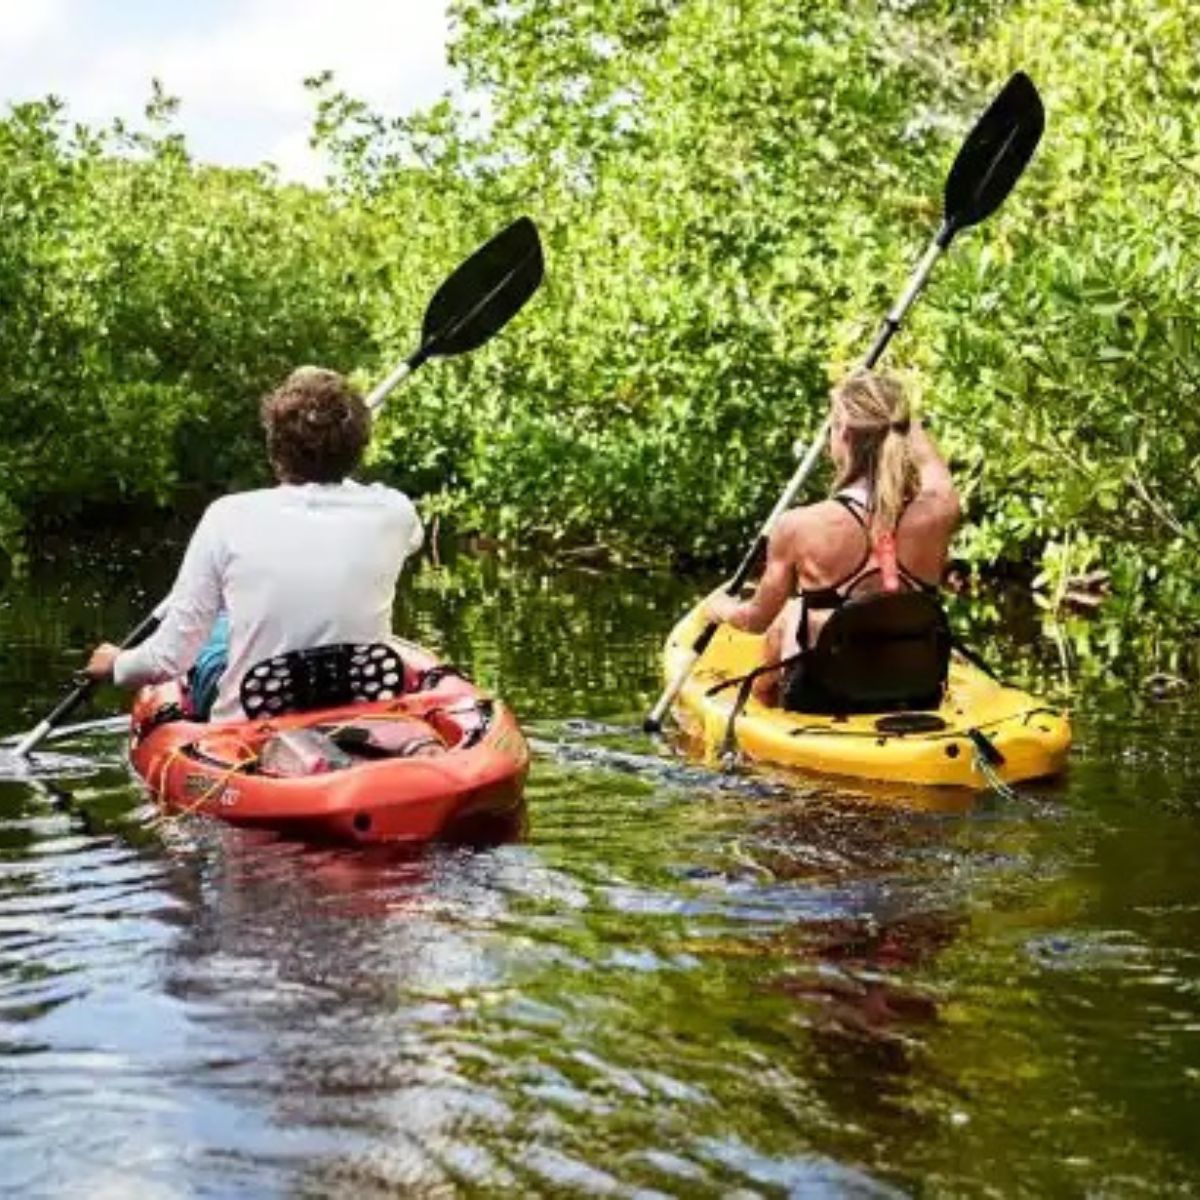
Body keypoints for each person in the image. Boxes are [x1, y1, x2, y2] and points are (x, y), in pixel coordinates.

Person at [84, 366, 424, 722]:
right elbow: (411, 539)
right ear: (358, 449)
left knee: (218, 627)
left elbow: (169, 659)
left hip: (250, 720)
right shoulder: (394, 511)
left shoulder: (227, 517)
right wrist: (337, 466)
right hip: (358, 699)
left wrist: (117, 665)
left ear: (274, 448)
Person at [703, 368, 960, 708]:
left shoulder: (797, 525)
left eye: (833, 427)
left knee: (790, 611)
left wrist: (716, 607)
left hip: (824, 696)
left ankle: (761, 702)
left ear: (844, 435)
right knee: (797, 611)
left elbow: (755, 620)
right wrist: (899, 416)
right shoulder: (940, 510)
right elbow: (930, 463)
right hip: (917, 692)